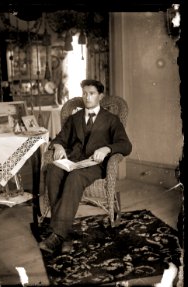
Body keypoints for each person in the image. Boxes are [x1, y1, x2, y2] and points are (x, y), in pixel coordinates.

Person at [39, 79, 132, 254]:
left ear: (100, 96)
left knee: (75, 177)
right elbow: (60, 138)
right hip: (72, 161)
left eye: (92, 93)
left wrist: (107, 148)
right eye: (84, 93)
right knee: (52, 169)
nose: (87, 97)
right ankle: (64, 234)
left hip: (93, 165)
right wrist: (58, 146)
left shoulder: (111, 120)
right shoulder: (75, 118)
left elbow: (126, 145)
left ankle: (57, 235)